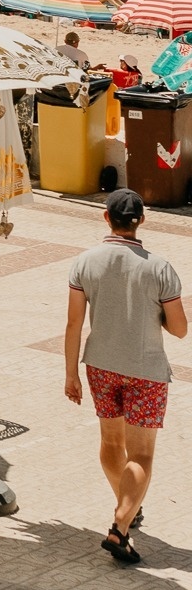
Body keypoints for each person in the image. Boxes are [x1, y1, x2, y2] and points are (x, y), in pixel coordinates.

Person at [65, 189, 186, 564]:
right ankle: (120, 526)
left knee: (111, 443)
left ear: (106, 218)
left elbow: (73, 324)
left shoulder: (84, 263)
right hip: (146, 370)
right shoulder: (160, 267)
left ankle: (127, 504)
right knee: (142, 453)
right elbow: (181, 329)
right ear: (142, 220)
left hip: (99, 366)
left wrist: (71, 374)